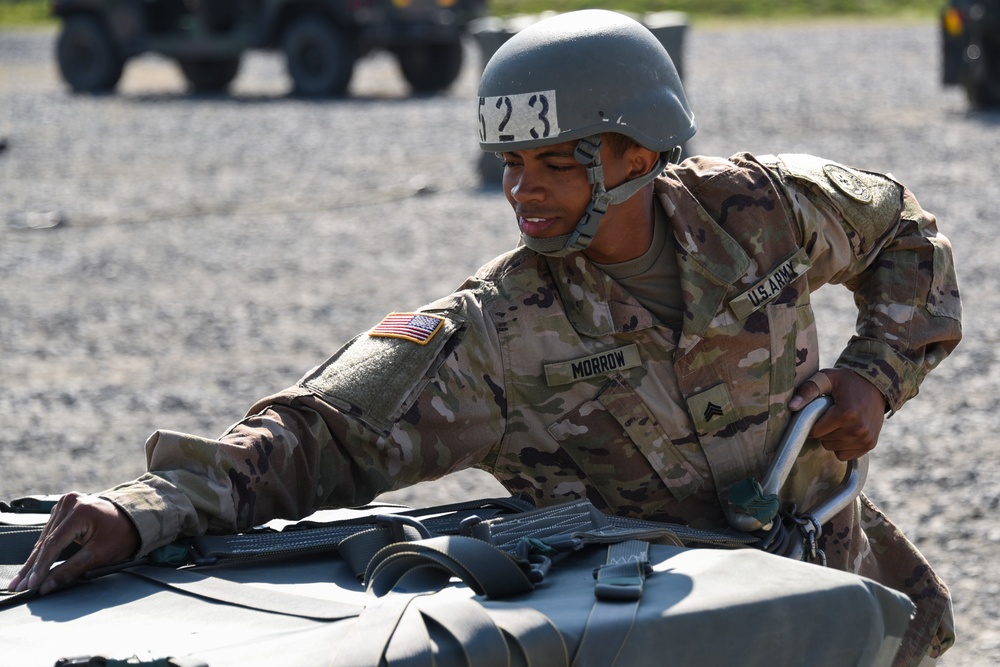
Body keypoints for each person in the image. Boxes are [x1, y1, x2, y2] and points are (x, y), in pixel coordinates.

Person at [10, 10, 960, 666]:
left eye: (557, 162)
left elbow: (903, 234)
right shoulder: (497, 330)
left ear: (640, 154)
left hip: (842, 583)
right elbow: (319, 435)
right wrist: (145, 508)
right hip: (672, 636)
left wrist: (874, 375)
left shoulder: (760, 209)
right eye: (509, 164)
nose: (523, 192)